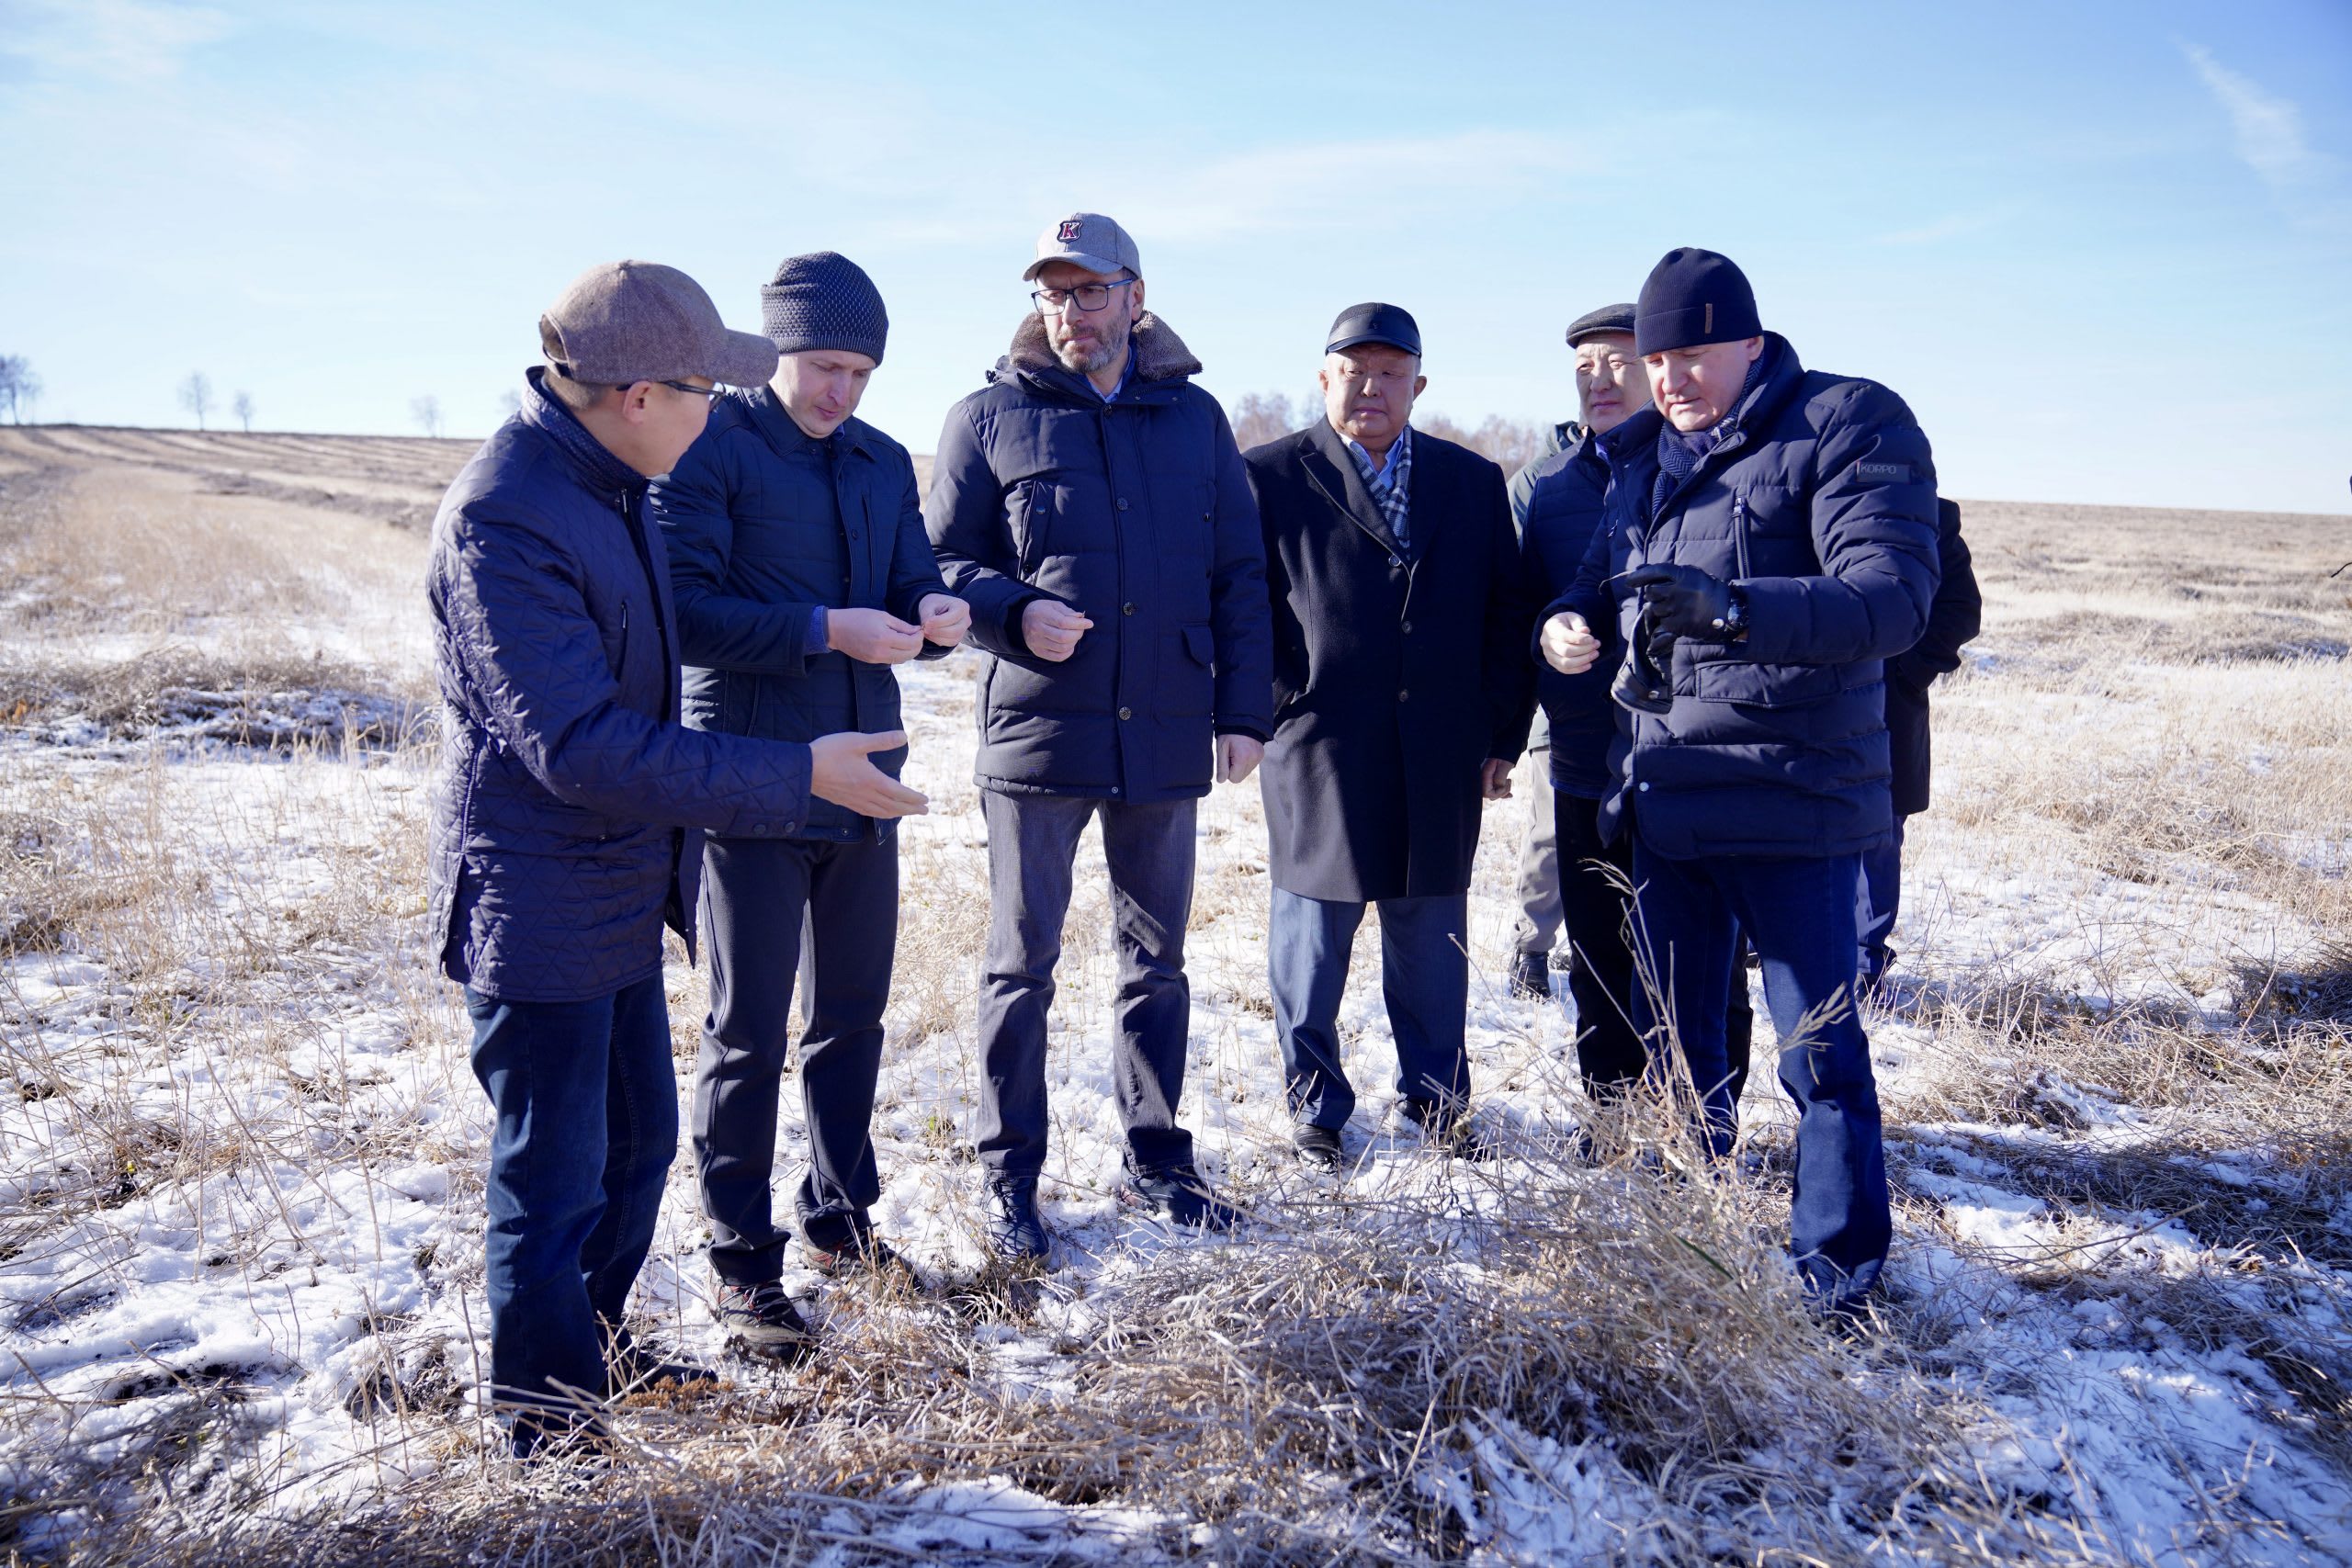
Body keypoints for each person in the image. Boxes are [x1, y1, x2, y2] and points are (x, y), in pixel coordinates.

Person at [426, 261, 925, 1452]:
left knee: (638, 1144)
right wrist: (797, 773)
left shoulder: (609, 487)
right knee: (552, 1181)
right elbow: (579, 744)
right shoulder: (508, 515)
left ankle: (600, 1346)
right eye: (708, 390)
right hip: (539, 897)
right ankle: (552, 1433)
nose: (719, 414)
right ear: (641, 394)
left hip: (613, 882)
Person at [1538, 247, 1939, 1315]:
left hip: (1796, 803)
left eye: (1695, 354)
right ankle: (1687, 1244)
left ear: (1752, 345)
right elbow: (1597, 577)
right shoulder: (1643, 456)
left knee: (1819, 1058)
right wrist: (1568, 621)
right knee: (1677, 1049)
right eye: (1656, 359)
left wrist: (1734, 610)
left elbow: (1891, 597)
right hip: (1669, 798)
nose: (1670, 378)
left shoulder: (1847, 423)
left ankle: (1836, 1278)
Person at [925, 213, 1273, 1260]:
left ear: (1134, 296)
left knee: (1156, 960)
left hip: (1163, 728)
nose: (1070, 311)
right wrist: (1010, 612)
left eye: (1089, 290)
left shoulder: (1195, 419)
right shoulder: (988, 418)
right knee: (1019, 963)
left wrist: (1243, 710)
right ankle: (1010, 1179)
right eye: (1052, 293)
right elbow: (938, 564)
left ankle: (1159, 1157)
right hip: (1037, 735)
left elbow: (1239, 573)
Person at [650, 253, 968, 1358]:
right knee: (746, 1029)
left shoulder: (880, 461)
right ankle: (742, 1258)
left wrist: (932, 610)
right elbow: (680, 610)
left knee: (852, 1017)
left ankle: (840, 1219)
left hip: (866, 776)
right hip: (750, 777)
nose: (841, 390)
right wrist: (825, 629)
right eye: (825, 365)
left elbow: (911, 578)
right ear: (777, 350)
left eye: (861, 372)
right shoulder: (711, 444)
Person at [1243, 303, 1533, 1171]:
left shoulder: (1471, 480)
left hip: (1440, 749)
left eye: (1391, 372)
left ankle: (1438, 1100)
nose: (1372, 386)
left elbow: (1506, 612)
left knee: (1432, 942)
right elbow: (1242, 607)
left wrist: (1499, 732)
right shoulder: (1269, 475)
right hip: (1321, 746)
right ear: (1324, 377)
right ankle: (1316, 1108)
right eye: (1354, 370)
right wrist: (1279, 703)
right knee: (1312, 941)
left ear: (1418, 383)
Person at [1859, 496, 1980, 991]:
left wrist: (1904, 673)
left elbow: (1960, 609)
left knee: (1877, 834)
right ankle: (1774, 948)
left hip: (1886, 709)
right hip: (1797, 709)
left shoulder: (1930, 513)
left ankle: (1863, 966)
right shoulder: (1799, 496)